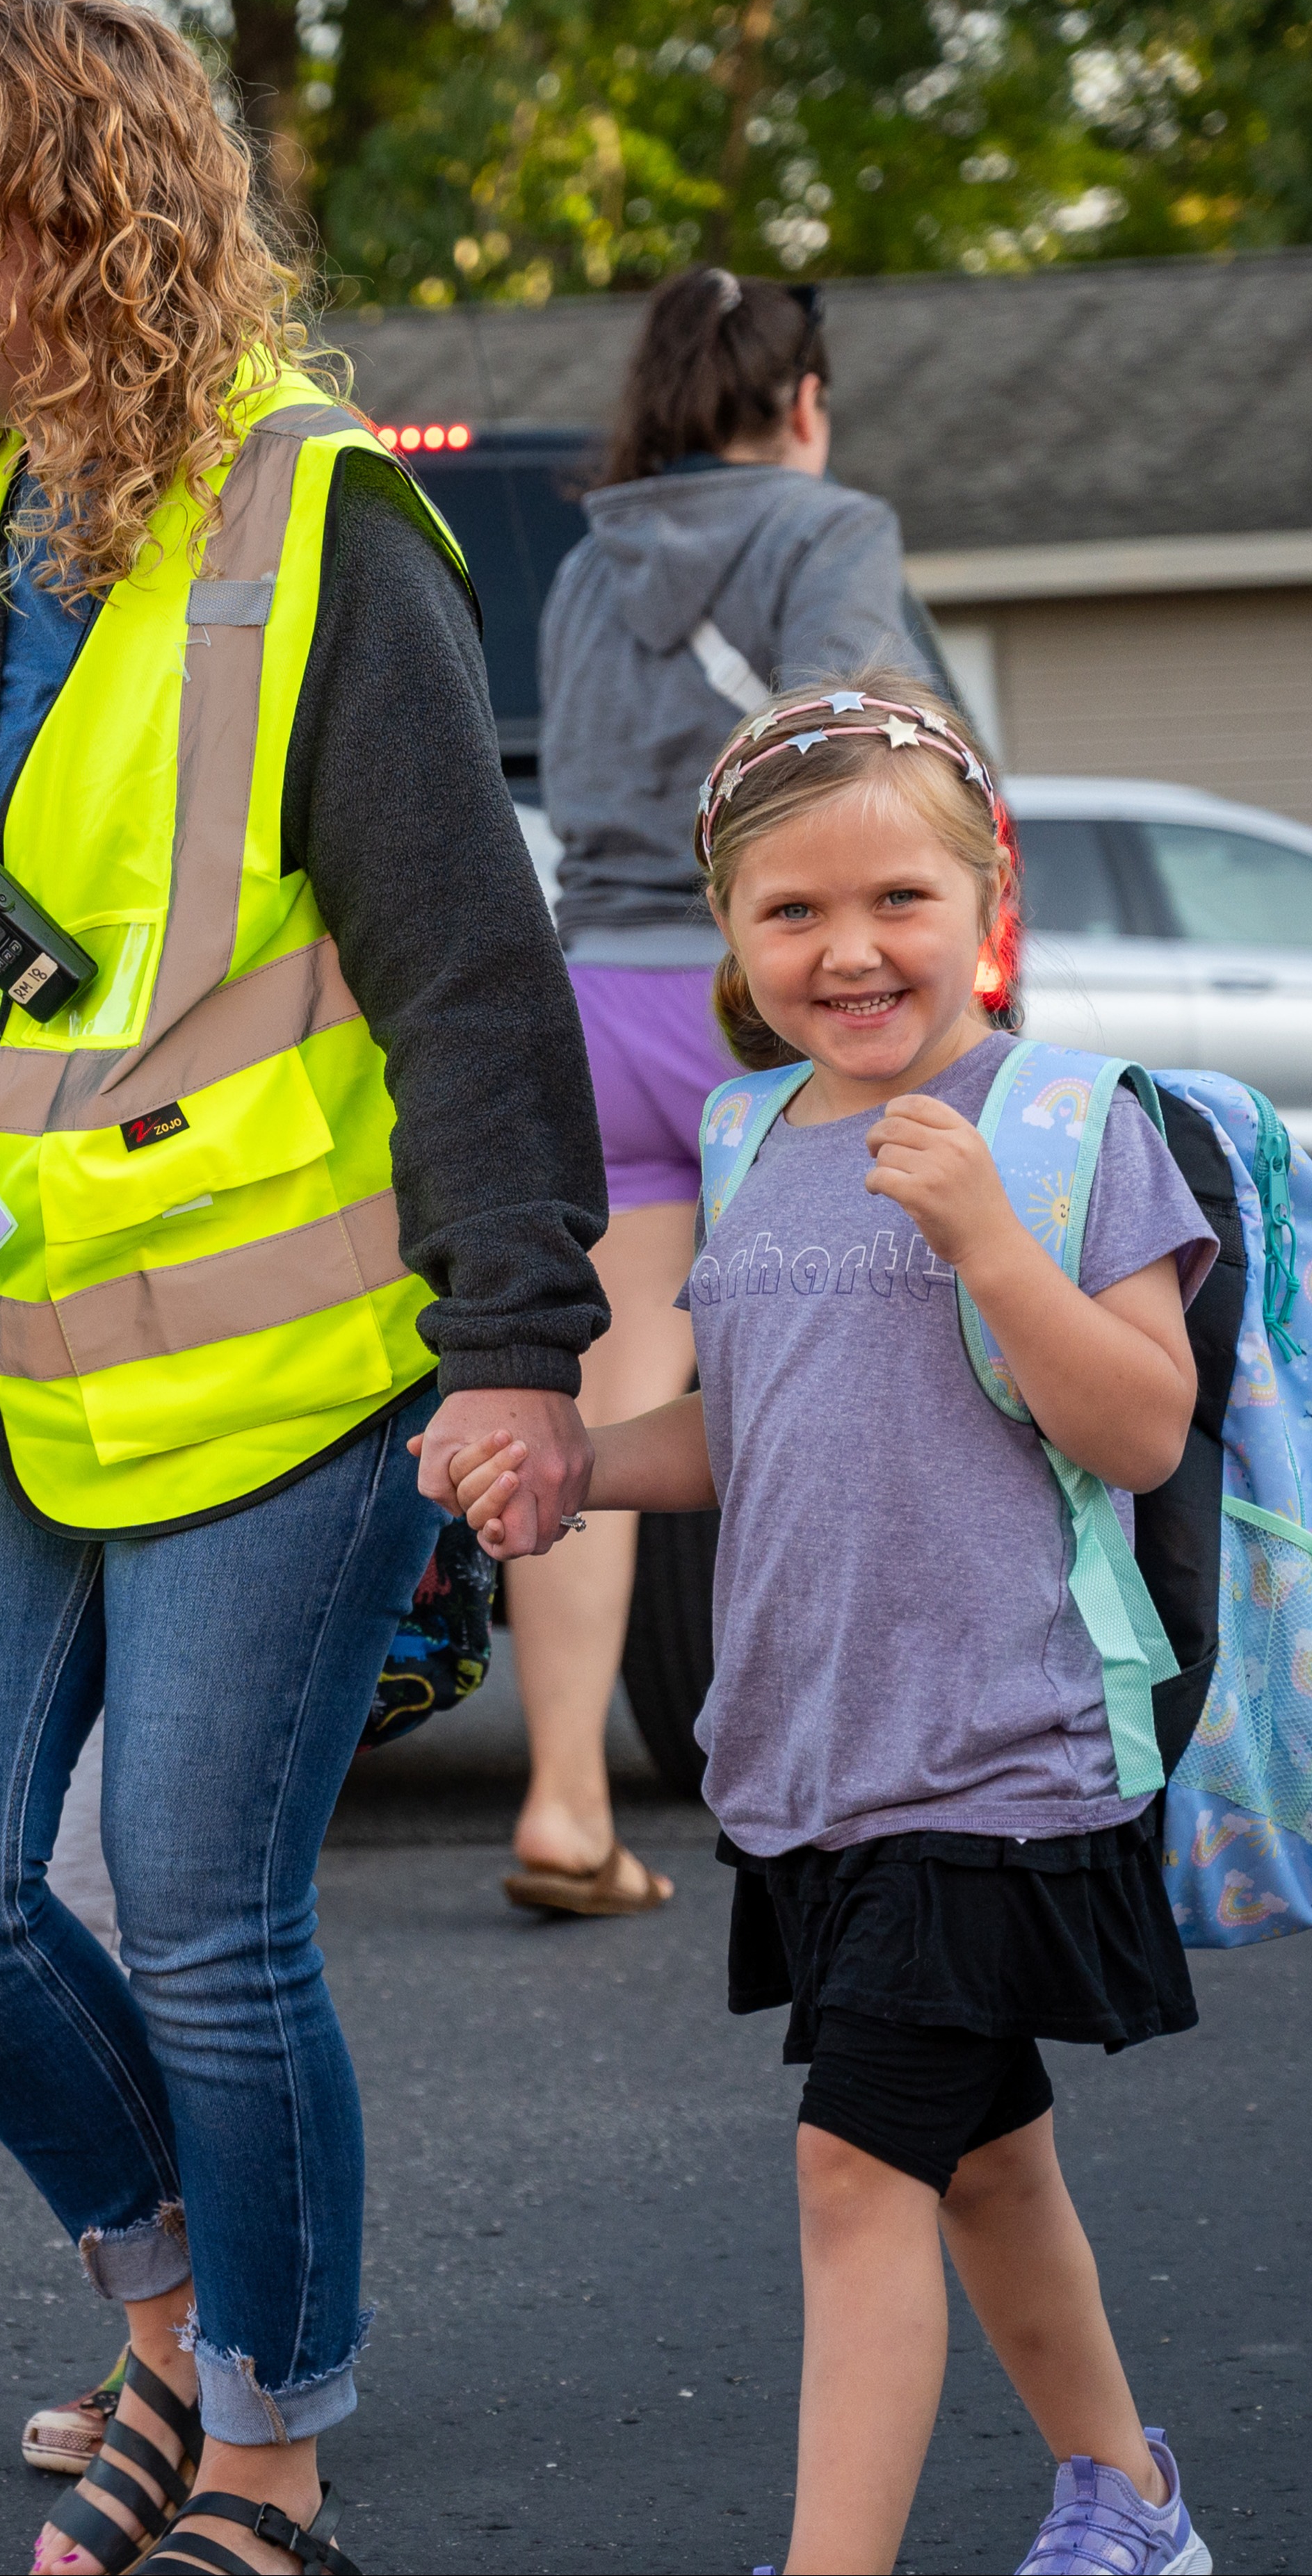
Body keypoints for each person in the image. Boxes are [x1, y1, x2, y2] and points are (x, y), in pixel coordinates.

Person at [0, 0, 607, 2576]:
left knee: (214, 1920)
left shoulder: (314, 520)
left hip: (284, 1360)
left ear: (57, 212)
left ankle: (262, 2434)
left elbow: (472, 973)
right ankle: (160, 2303)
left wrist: (515, 1344)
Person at [431, 673, 1220, 2576]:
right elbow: (759, 1422)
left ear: (985, 900)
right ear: (726, 929)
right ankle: (1132, 2503)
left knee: (858, 2170)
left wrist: (993, 1244)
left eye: (898, 904)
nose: (848, 951)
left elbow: (1137, 1422)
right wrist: (585, 1473)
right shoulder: (748, 1137)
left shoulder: (1067, 1125)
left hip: (1000, 1750)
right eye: (792, 913)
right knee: (980, 2157)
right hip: (815, 1761)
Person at [506, 266, 935, 1917]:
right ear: (801, 399)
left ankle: (560, 1799)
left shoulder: (587, 557)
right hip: (747, 997)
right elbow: (843, 745)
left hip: (593, 999)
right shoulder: (832, 532)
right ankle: (868, 1778)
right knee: (869, 1367)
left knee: (607, 1416)